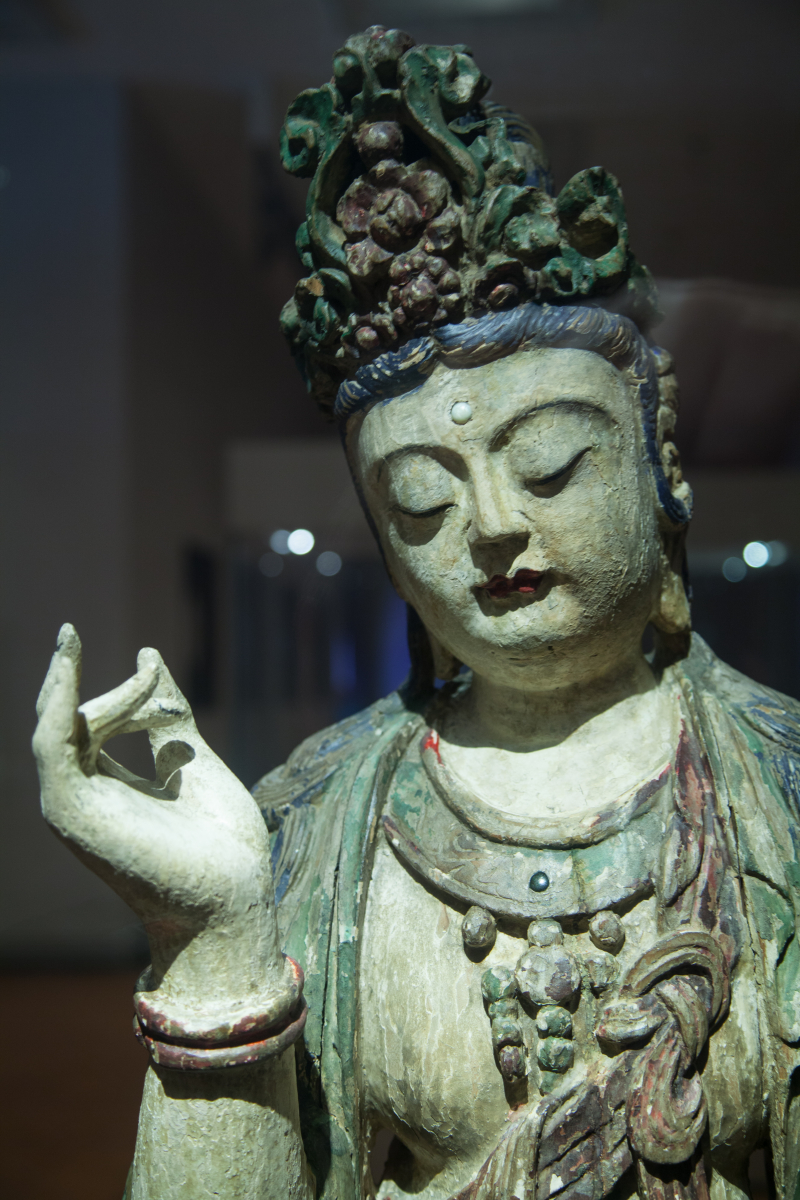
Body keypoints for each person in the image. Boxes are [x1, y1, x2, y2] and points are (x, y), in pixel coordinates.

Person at [33, 26, 800, 1200]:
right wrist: (214, 937)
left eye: (549, 465)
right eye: (421, 503)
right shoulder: (320, 820)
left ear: (659, 471)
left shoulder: (780, 791)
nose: (490, 526)